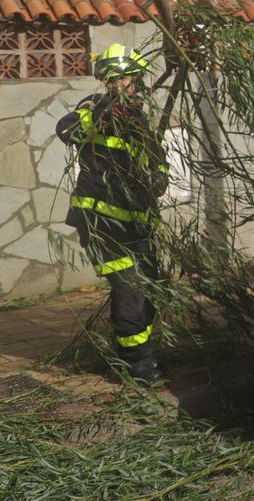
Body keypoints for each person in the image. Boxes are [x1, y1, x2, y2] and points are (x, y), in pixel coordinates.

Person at [55, 43, 169, 384]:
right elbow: (66, 130)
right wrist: (102, 113)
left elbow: (156, 167)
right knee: (129, 289)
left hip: (135, 225)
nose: (119, 85)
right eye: (113, 80)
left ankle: (130, 353)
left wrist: (157, 178)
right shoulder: (93, 107)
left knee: (151, 287)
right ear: (105, 82)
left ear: (136, 80)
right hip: (101, 224)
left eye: (125, 79)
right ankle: (140, 367)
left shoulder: (140, 120)